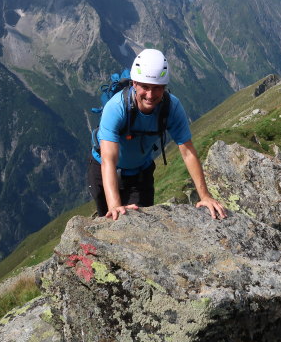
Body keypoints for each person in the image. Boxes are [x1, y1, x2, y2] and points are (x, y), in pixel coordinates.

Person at [87, 48, 227, 221]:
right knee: (108, 223)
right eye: (145, 87)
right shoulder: (116, 108)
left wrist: (204, 196)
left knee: (140, 228)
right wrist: (115, 205)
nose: (150, 95)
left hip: (140, 175)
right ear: (134, 84)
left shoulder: (172, 107)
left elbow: (188, 152)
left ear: (165, 87)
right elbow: (109, 159)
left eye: (157, 88)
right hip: (103, 171)